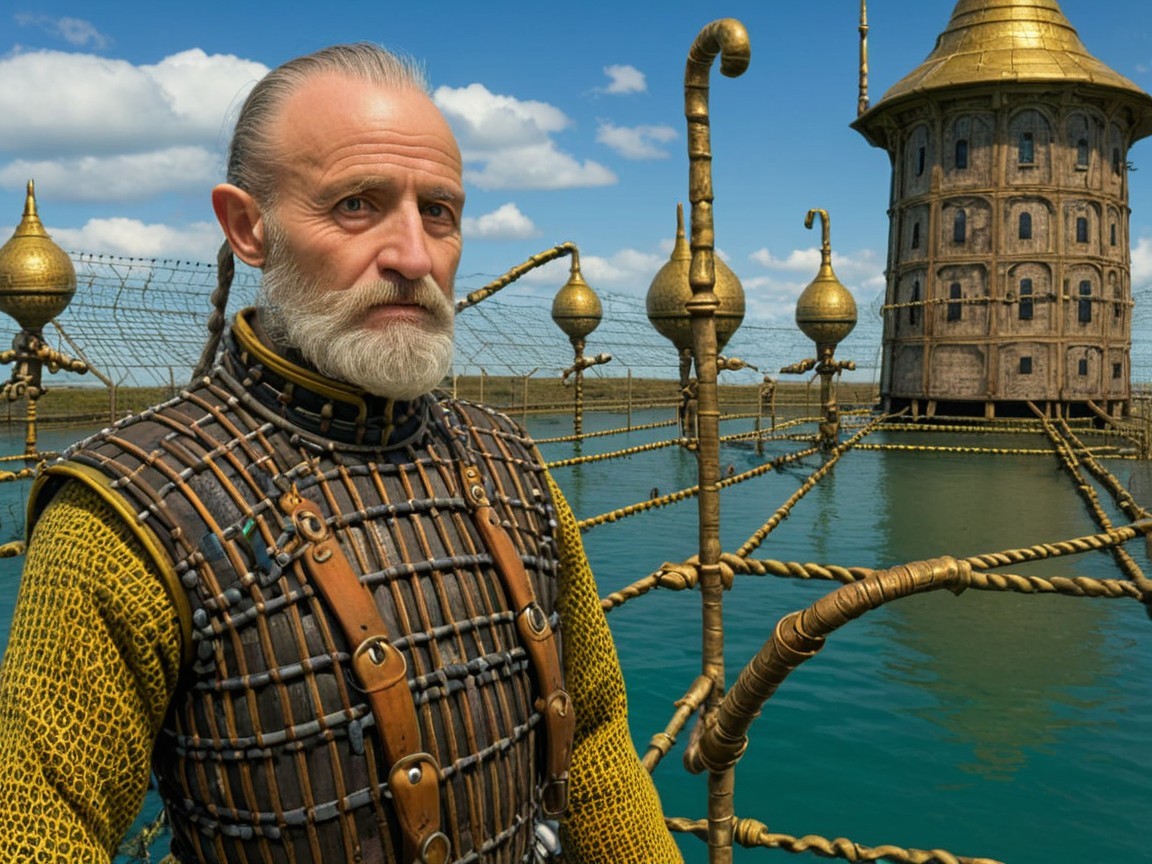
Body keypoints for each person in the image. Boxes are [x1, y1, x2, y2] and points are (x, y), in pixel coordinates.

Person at [0, 44, 682, 864]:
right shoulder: (130, 512)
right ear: (249, 227)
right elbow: (35, 831)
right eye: (358, 204)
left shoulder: (508, 462)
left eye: (439, 211)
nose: (414, 256)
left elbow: (598, 738)